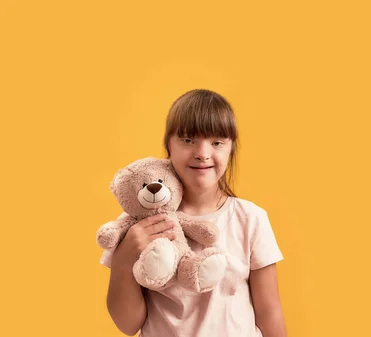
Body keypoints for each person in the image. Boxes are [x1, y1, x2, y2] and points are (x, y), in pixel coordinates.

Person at [99, 89, 287, 337]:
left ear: (231, 149)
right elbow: (128, 324)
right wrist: (123, 260)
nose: (202, 153)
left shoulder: (249, 219)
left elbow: (269, 312)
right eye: (188, 140)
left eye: (217, 142)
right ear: (168, 145)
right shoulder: (140, 223)